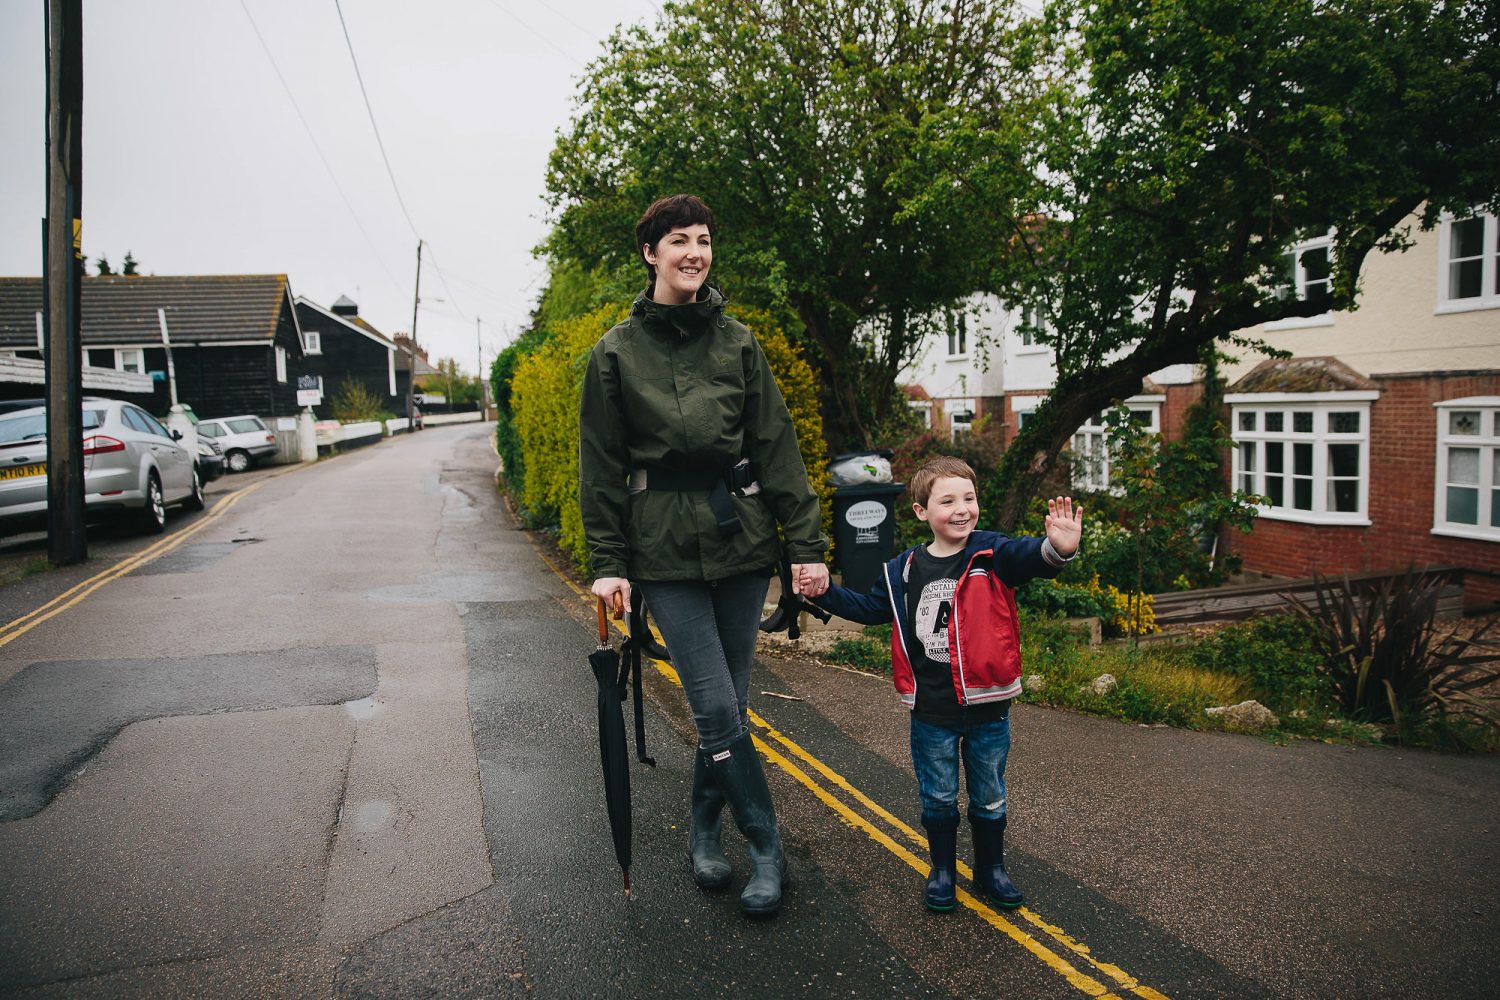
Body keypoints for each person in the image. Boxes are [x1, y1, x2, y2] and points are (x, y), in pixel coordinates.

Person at [578, 194, 829, 918]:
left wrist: (805, 547)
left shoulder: (739, 344)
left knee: (731, 706)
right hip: (663, 551)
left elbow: (777, 448)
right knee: (716, 706)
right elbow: (600, 467)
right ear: (651, 254)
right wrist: (609, 560)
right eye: (679, 240)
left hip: (742, 544)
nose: (695, 251)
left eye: (704, 240)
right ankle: (766, 848)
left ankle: (701, 830)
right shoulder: (616, 352)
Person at [805, 456, 1082, 912]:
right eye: (947, 500)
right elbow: (873, 609)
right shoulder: (904, 569)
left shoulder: (992, 553)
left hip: (987, 709)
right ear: (921, 511)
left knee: (990, 795)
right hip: (931, 709)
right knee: (937, 796)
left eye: (969, 498)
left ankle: (991, 869)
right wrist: (824, 593)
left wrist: (1059, 549)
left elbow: (1030, 557)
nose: (961, 509)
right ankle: (943, 870)